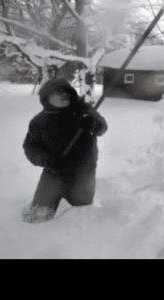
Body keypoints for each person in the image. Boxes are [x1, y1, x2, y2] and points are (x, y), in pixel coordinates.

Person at [22, 77, 108, 223]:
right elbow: (31, 148)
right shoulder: (39, 122)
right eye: (58, 92)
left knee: (82, 214)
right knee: (37, 215)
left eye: (66, 91)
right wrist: (48, 160)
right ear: (47, 97)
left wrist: (93, 124)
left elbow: (102, 127)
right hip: (53, 172)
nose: (64, 95)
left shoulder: (83, 110)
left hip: (83, 172)